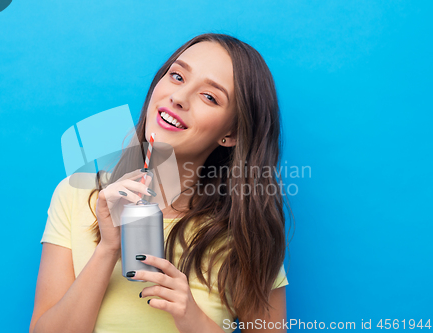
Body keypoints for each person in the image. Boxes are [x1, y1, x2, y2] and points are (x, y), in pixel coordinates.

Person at [29, 33, 291, 333]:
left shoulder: (246, 233)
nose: (178, 97)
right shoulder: (76, 195)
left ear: (230, 135)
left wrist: (192, 319)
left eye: (209, 96)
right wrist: (108, 248)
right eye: (177, 76)